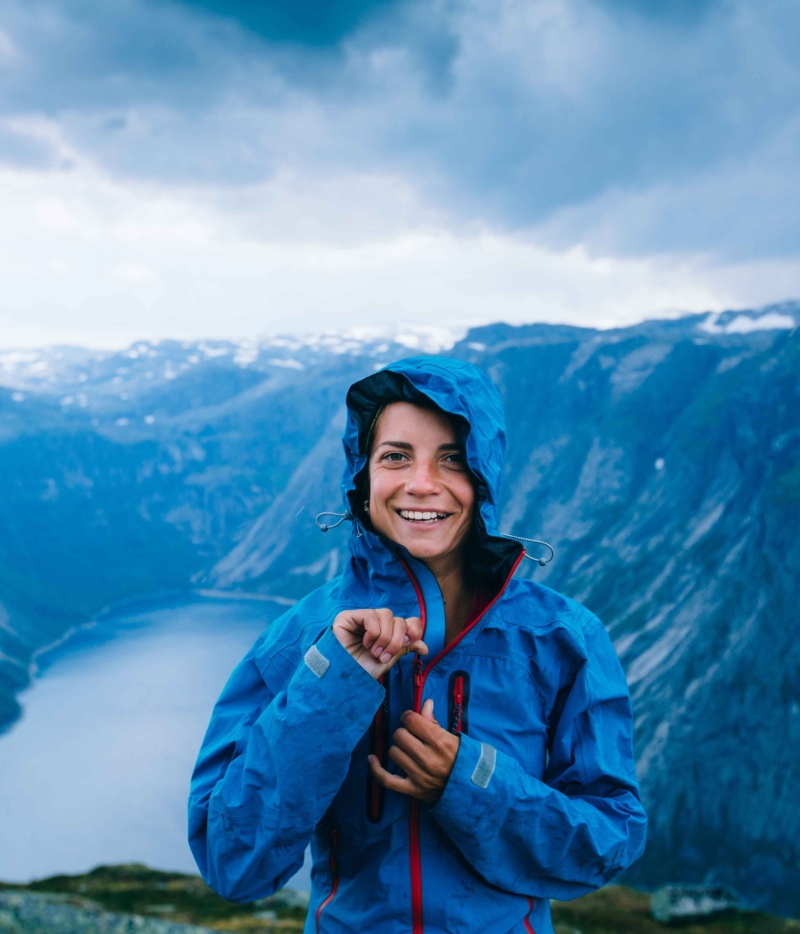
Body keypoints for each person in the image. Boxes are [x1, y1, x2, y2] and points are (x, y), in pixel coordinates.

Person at [188, 357, 647, 934]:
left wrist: (469, 783)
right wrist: (331, 686)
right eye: (395, 456)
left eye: (452, 459)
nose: (422, 483)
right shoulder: (302, 642)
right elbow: (233, 864)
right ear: (363, 476)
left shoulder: (561, 640)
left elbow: (610, 837)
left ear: (485, 477)